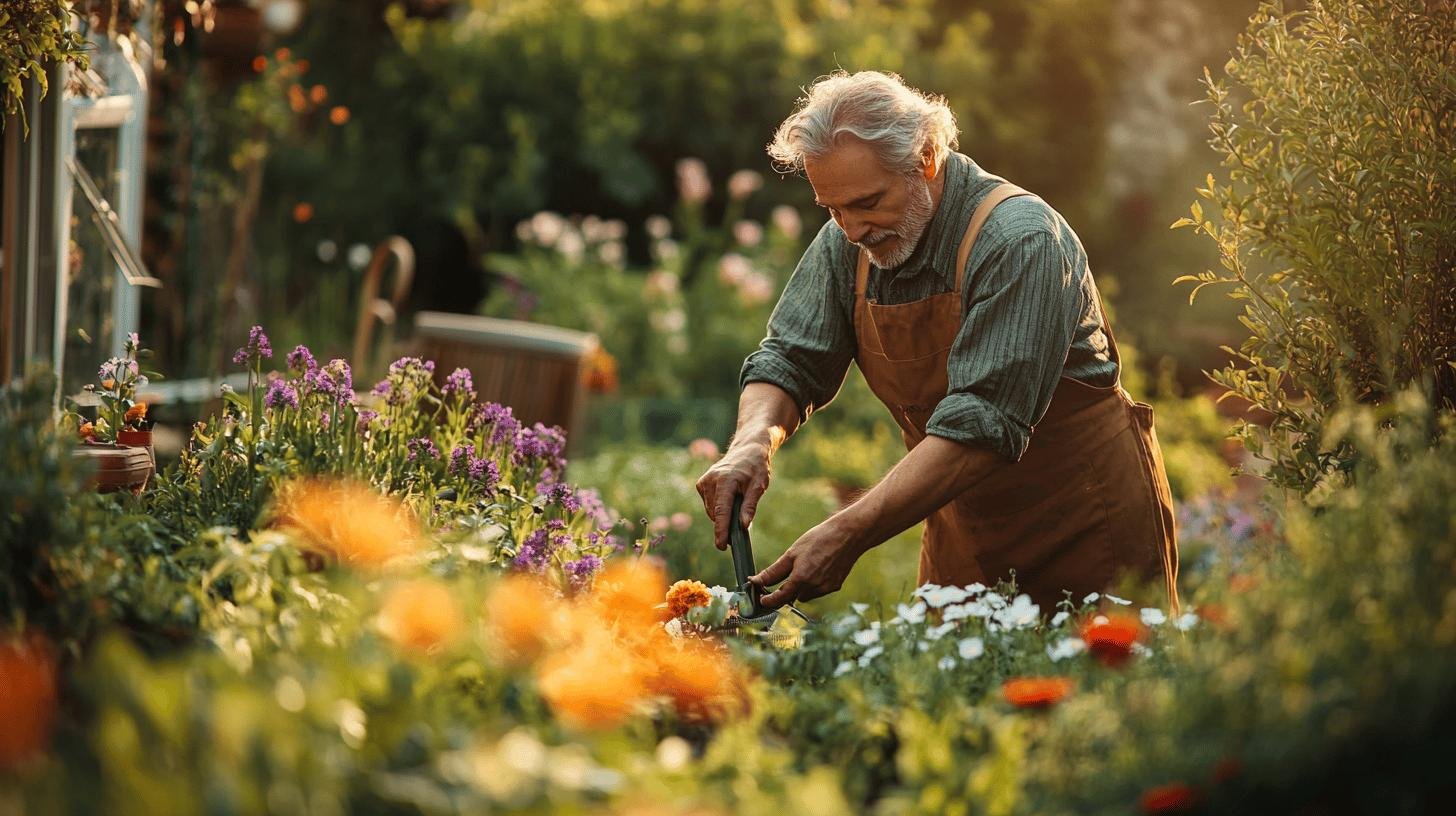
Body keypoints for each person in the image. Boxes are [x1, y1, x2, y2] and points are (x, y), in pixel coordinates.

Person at [696, 71, 1179, 612]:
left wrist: (847, 531)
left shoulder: (1020, 241)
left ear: (926, 156)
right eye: (831, 209)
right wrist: (751, 443)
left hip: (1087, 528)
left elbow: (981, 421)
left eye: (867, 202)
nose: (851, 229)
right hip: (961, 531)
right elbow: (790, 358)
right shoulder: (850, 239)